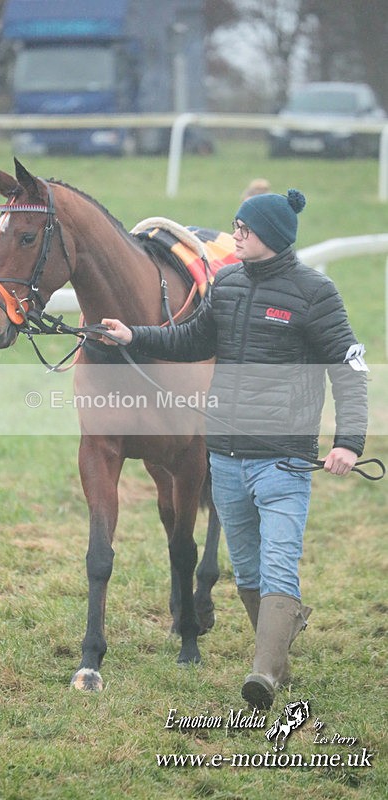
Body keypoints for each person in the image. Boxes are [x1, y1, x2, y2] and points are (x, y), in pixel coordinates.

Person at [100, 189, 368, 709]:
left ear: (269, 235)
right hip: (224, 460)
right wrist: (133, 335)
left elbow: (350, 369)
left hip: (286, 461)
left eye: (242, 229)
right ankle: (279, 650)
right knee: (246, 570)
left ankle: (263, 675)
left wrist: (349, 443)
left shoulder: (317, 293)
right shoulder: (225, 283)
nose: (234, 235)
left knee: (278, 566)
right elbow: (190, 342)